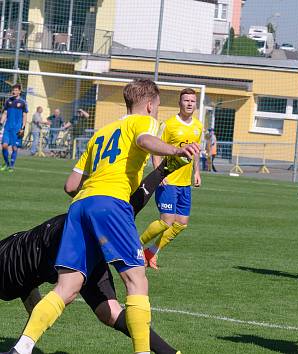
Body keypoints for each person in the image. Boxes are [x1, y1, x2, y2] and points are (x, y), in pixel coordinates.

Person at [3, 79, 200, 354]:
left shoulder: (101, 133)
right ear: (150, 105)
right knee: (136, 280)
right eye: (155, 109)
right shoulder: (143, 122)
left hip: (80, 207)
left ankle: (21, 349)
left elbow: (70, 186)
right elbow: (145, 140)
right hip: (111, 204)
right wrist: (175, 149)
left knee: (66, 287)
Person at [0, 157, 188, 354]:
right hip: (34, 247)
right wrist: (161, 171)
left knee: (109, 312)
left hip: (68, 242)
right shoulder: (14, 260)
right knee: (78, 295)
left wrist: (161, 171)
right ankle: (21, 349)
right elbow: (28, 286)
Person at [139, 88, 203, 270]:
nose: (189, 104)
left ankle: (151, 252)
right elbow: (156, 148)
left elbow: (195, 151)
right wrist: (159, 175)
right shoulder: (169, 124)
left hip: (184, 183)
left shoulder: (198, 126)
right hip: (168, 180)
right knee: (166, 220)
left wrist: (196, 172)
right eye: (186, 100)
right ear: (179, 103)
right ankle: (135, 247)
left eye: (192, 101)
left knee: (181, 224)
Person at [0, 84, 28, 171]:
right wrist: (1, 123)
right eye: (13, 90)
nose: (14, 92)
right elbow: (5, 113)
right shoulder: (8, 101)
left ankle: (11, 165)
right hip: (7, 128)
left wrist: (23, 128)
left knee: (14, 148)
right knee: (4, 146)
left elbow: (25, 116)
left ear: (19, 91)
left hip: (17, 129)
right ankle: (7, 164)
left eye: (16, 90)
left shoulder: (23, 102)